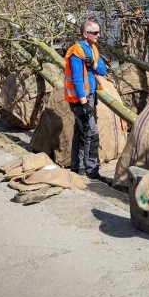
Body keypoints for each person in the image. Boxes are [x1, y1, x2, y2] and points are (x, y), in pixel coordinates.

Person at [63, 19, 107, 179]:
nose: (98, 35)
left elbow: (103, 70)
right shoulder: (76, 52)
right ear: (85, 34)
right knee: (91, 132)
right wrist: (83, 102)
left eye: (98, 32)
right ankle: (91, 170)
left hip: (90, 96)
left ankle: (78, 167)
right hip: (80, 99)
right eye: (95, 33)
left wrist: (93, 64)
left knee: (81, 131)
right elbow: (76, 79)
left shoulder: (93, 50)